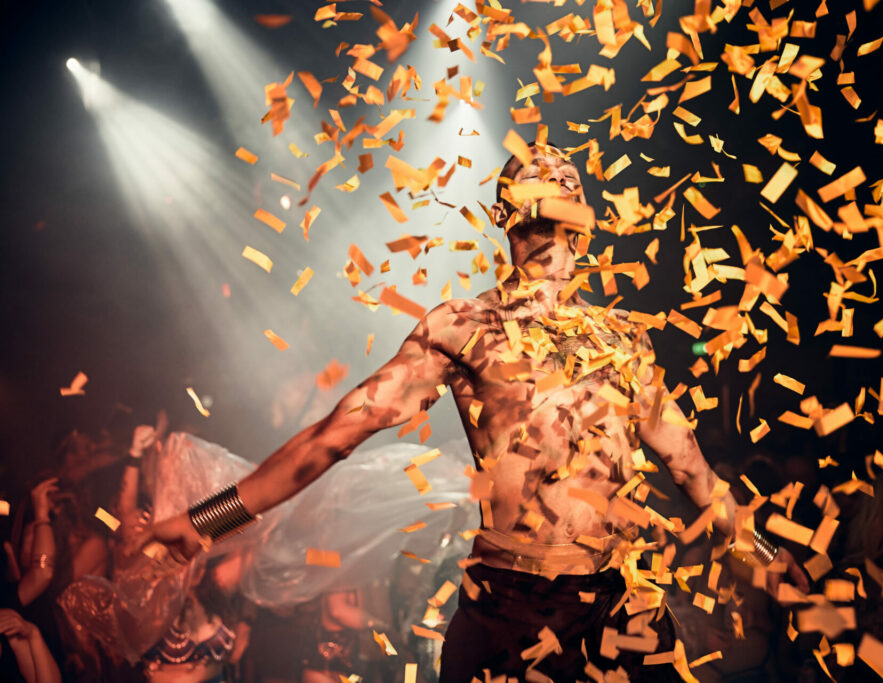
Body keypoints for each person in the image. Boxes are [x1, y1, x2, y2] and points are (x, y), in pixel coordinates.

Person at [140, 142, 809, 681]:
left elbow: (694, 472)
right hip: (510, 617)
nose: (549, 221)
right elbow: (339, 431)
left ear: (581, 222)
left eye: (561, 201)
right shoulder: (465, 327)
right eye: (537, 202)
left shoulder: (622, 340)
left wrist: (764, 557)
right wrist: (207, 520)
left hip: (614, 609)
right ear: (508, 218)